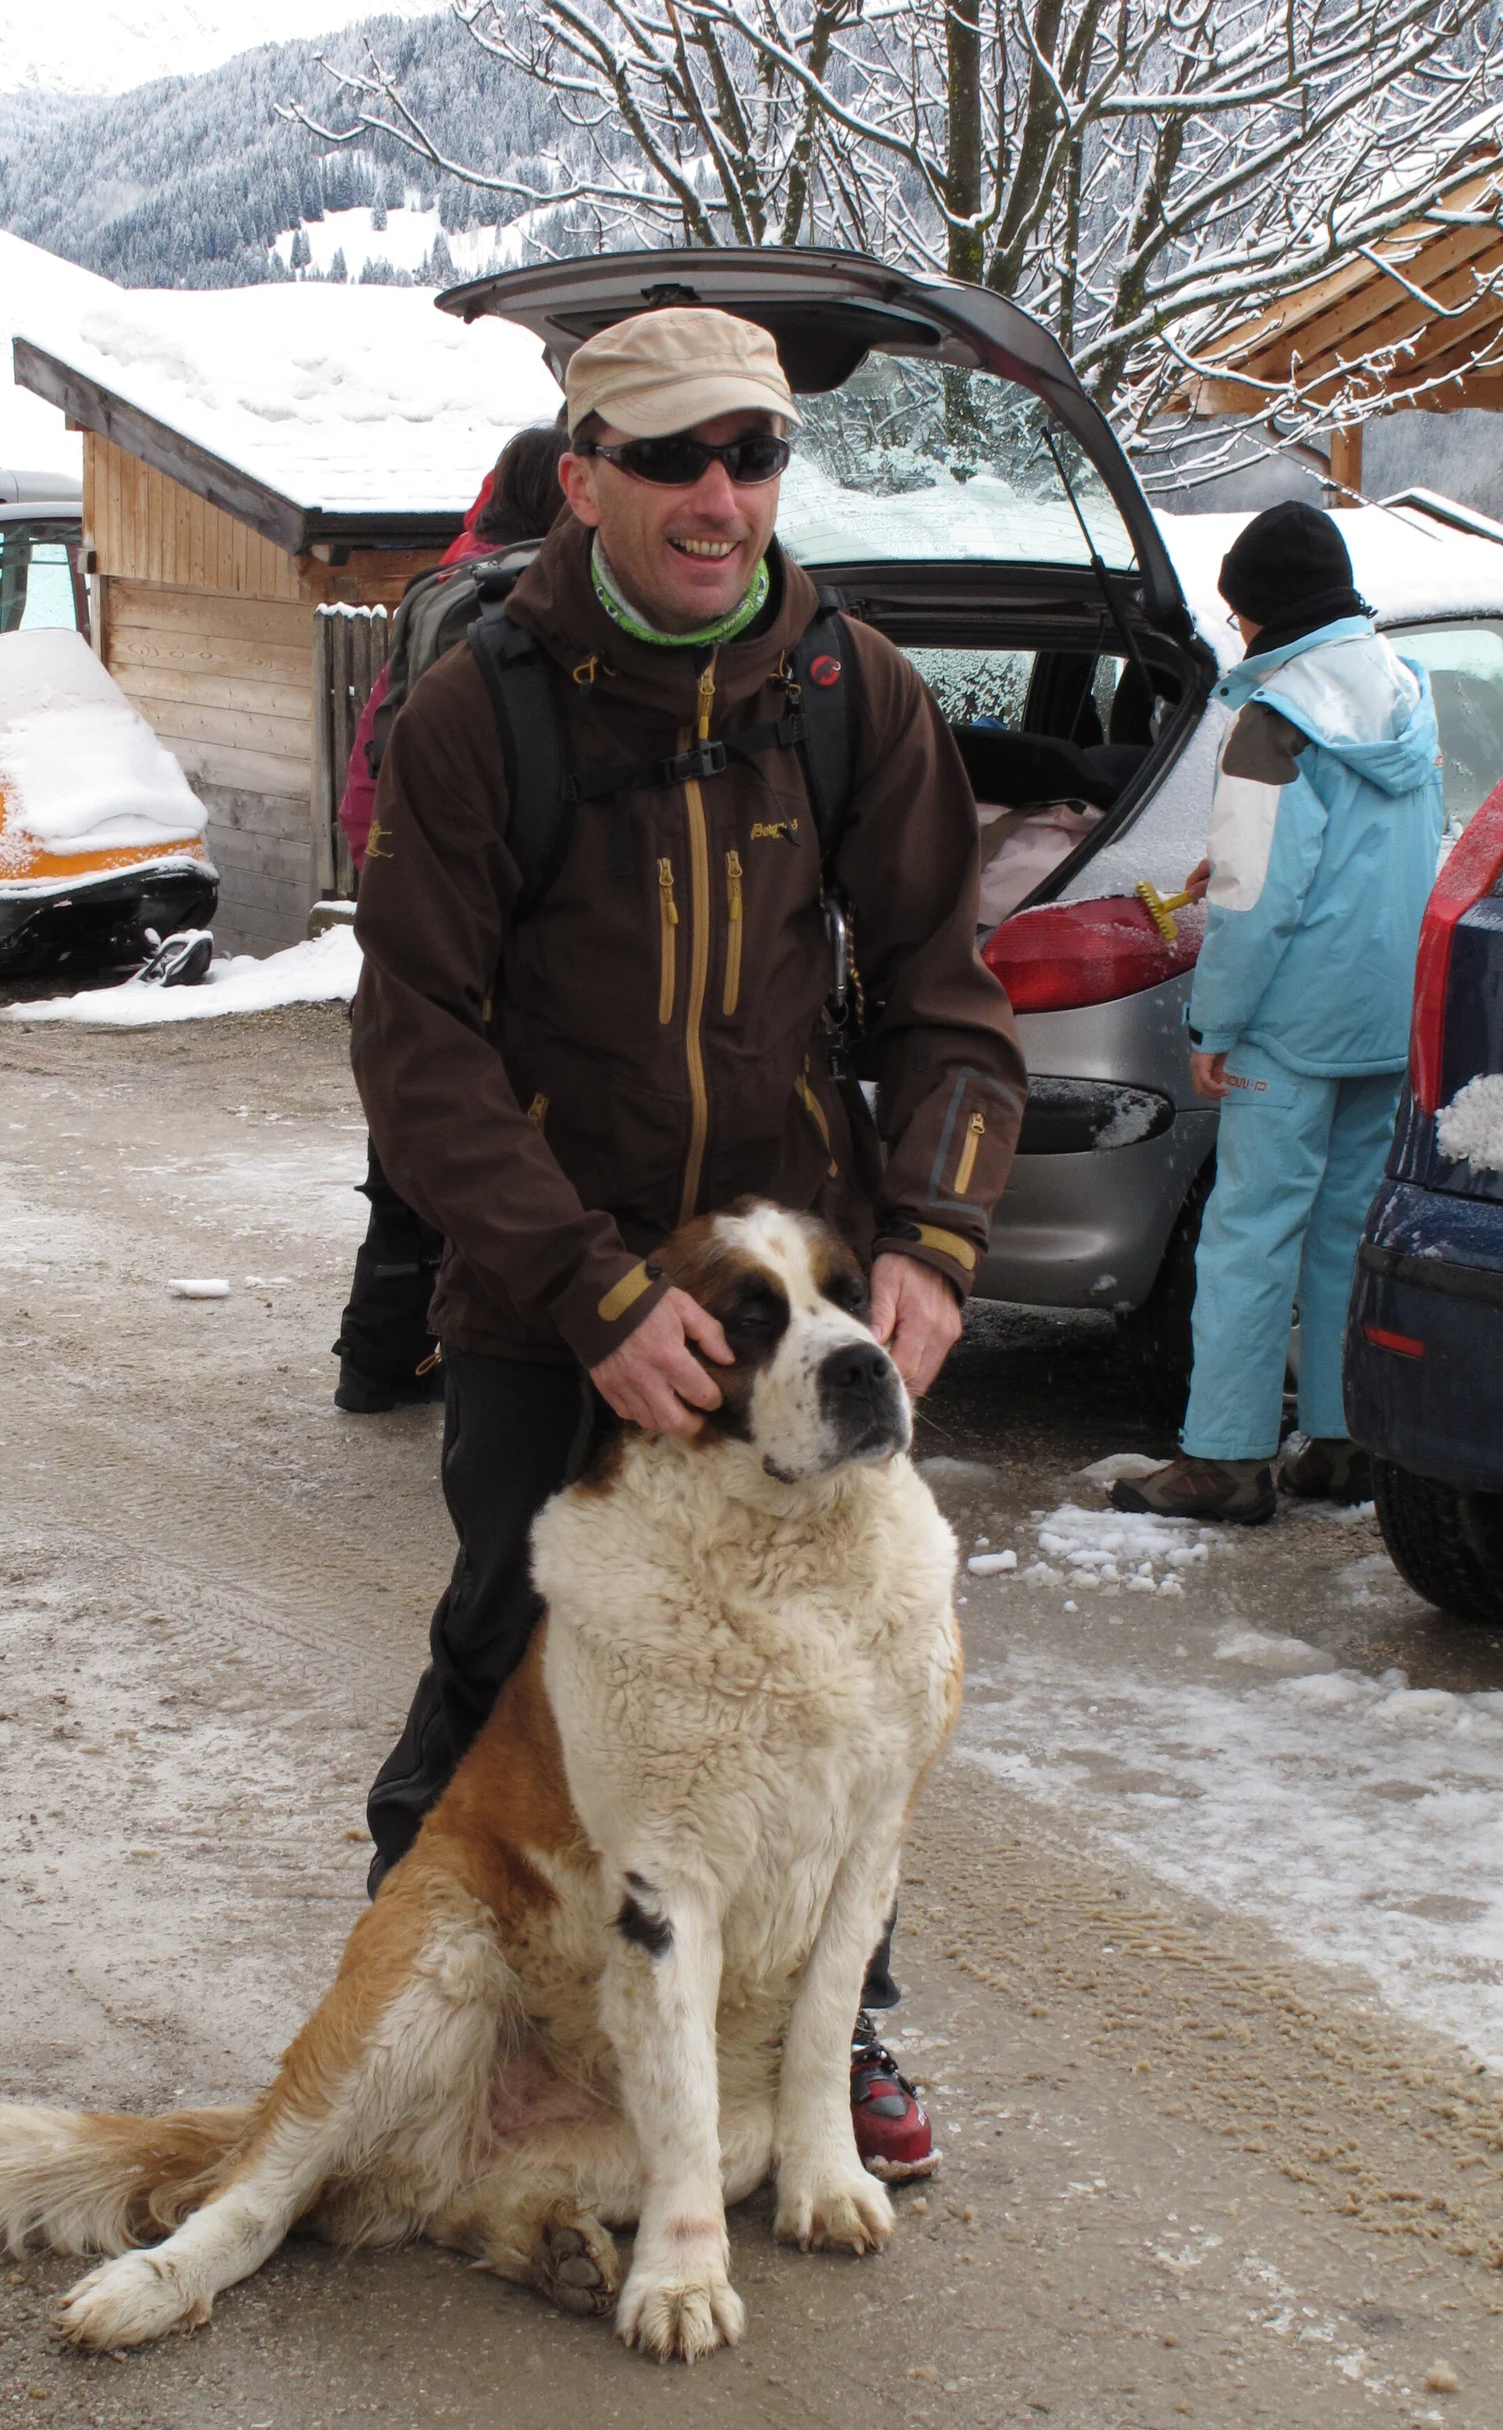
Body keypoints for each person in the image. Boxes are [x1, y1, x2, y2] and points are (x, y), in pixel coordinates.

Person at [350, 306, 1026, 2175]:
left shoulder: (854, 694)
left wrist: (939, 1239)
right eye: (672, 459)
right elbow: (418, 1036)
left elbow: (942, 1002)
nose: (721, 496)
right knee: (514, 1645)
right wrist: (585, 1290)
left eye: (753, 454)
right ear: (584, 478)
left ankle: (842, 2024)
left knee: (829, 1686)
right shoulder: (481, 707)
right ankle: (425, 1965)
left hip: (793, 1305)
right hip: (549, 1297)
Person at [1112, 501, 1442, 1526]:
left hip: (1288, 1032)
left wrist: (1215, 1025)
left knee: (1250, 1233)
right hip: (1386, 1018)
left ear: (1271, 613)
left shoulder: (1270, 724)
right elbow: (1374, 858)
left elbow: (1256, 908)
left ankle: (1225, 1458)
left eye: (1242, 615)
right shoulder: (1406, 693)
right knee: (1348, 1229)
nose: (1241, 634)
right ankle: (1345, 1443)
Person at [332, 425, 571, 1413]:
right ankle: (503, 1376)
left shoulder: (442, 590)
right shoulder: (545, 609)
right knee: (524, 1145)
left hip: (408, 889)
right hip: (518, 909)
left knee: (412, 1140)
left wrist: (387, 875)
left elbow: (371, 764)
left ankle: (377, 1362)